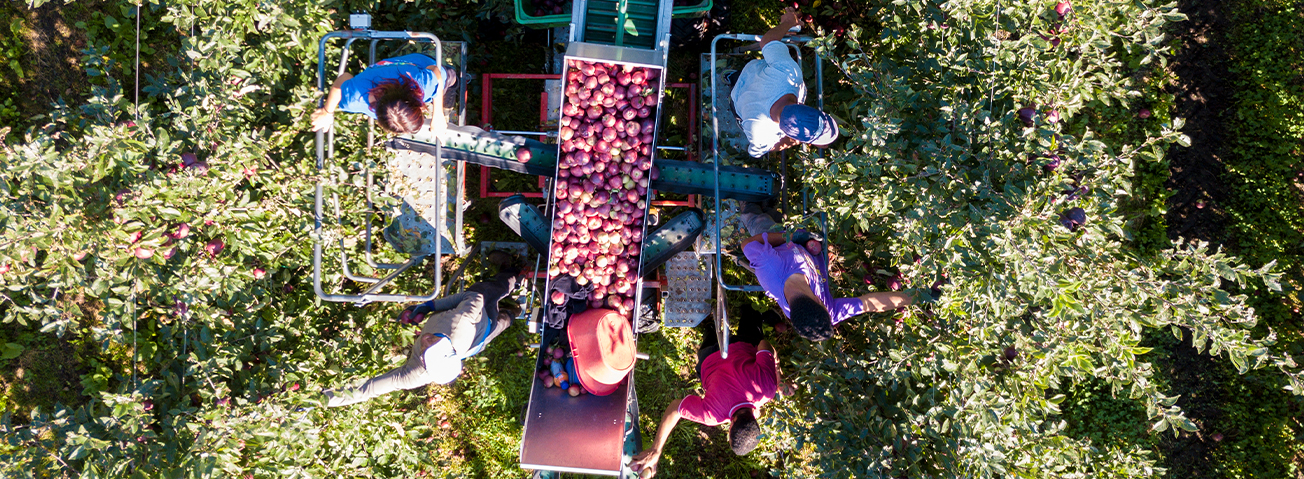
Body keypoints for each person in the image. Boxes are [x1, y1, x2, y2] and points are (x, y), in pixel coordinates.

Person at [321, 252, 521, 407]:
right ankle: (513, 295)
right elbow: (474, 299)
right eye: (434, 344)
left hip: (474, 319)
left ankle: (510, 286)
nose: (426, 340)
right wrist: (430, 307)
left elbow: (368, 389)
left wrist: (321, 399)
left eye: (428, 350)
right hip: (478, 334)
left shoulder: (417, 372)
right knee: (496, 313)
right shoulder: (459, 323)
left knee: (490, 302)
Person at [629, 310, 793, 478]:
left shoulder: (767, 390)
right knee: (709, 341)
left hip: (744, 344)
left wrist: (778, 376)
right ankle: (709, 325)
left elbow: (764, 345)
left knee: (752, 324)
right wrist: (656, 449)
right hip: (711, 355)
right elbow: (675, 408)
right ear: (730, 427)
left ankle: (751, 314)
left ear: (755, 421)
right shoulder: (712, 415)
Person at [739, 202, 915, 341]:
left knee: (757, 220)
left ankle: (749, 206)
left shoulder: (770, 268)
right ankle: (765, 205)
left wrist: (790, 237)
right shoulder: (824, 312)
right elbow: (869, 304)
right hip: (805, 244)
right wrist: (914, 297)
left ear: (816, 300)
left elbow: (747, 244)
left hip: (776, 243)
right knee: (771, 210)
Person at [729, 7, 838, 158]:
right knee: (736, 98)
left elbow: (767, 42)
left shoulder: (788, 75)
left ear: (802, 106)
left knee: (740, 78)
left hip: (749, 75)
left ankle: (732, 77)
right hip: (738, 102)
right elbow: (757, 151)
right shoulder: (759, 131)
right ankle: (731, 79)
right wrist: (793, 141)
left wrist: (787, 23)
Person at [310, 53, 455, 135]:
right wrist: (327, 112)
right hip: (394, 67)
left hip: (421, 62)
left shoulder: (421, 84)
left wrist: (438, 115)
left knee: (449, 78)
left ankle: (456, 80)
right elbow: (341, 82)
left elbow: (435, 70)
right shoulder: (354, 99)